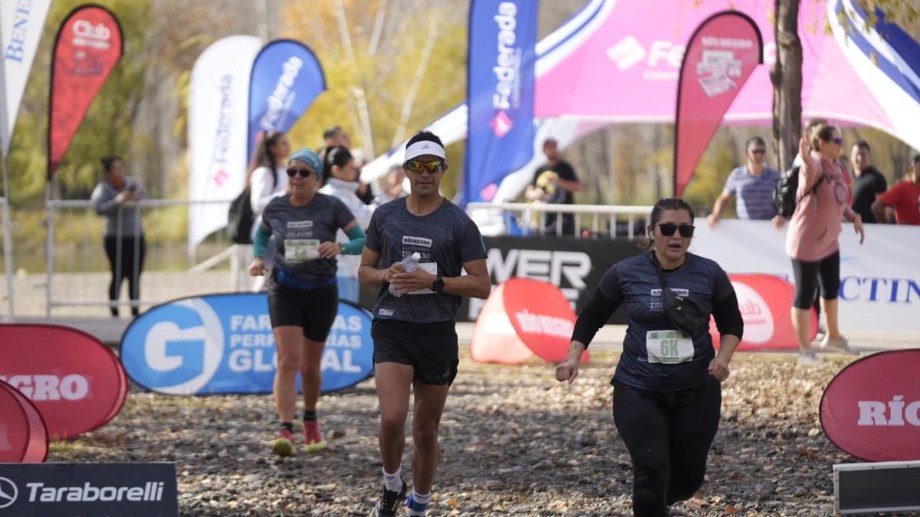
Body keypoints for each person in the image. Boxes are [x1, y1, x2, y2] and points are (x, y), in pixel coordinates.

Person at [555, 198, 743, 517]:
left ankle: (660, 504)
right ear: (651, 231)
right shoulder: (625, 272)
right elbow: (591, 316)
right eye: (667, 229)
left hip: (697, 389)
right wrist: (573, 357)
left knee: (687, 480)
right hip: (638, 387)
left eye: (685, 230)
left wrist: (723, 358)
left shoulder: (709, 273)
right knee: (650, 472)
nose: (676, 236)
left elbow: (732, 323)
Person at [358, 130, 490, 517]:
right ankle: (391, 483)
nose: (425, 173)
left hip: (436, 331)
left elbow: (482, 285)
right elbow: (364, 271)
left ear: (443, 169)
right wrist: (386, 275)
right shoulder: (386, 216)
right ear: (407, 169)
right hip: (393, 325)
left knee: (426, 431)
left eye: (433, 166)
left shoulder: (459, 223)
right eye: (418, 166)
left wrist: (433, 282)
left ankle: (419, 503)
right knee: (392, 417)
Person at [248, 147, 367, 452]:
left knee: (310, 366)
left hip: (321, 291)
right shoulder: (276, 207)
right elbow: (261, 235)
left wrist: (340, 248)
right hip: (284, 288)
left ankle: (311, 420)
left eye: (304, 172)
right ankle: (285, 429)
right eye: (291, 172)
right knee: (288, 359)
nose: (296, 177)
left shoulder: (332, 206)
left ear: (316, 178)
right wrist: (259, 257)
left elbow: (362, 239)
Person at [785, 125, 865, 364]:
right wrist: (805, 154)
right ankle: (805, 351)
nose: (841, 145)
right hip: (806, 241)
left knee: (830, 289)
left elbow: (839, 200)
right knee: (804, 295)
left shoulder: (837, 167)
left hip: (829, 241)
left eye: (841, 141)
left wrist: (852, 215)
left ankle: (833, 337)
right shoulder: (815, 164)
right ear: (822, 144)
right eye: (836, 141)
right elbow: (808, 165)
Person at [91, 155, 147, 318]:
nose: (121, 171)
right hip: (115, 238)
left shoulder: (132, 183)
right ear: (108, 172)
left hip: (135, 236)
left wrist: (136, 198)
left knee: (135, 275)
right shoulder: (103, 189)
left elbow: (146, 199)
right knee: (118, 274)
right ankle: (114, 310)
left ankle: (135, 311)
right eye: (116, 168)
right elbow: (99, 208)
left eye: (122, 167)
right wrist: (118, 201)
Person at [318, 146, 374, 303]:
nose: (356, 172)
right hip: (335, 271)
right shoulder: (330, 196)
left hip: (350, 269)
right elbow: (365, 218)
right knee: (337, 314)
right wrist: (387, 196)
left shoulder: (348, 194)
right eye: (352, 168)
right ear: (336, 170)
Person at [248, 131, 290, 291]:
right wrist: (283, 194)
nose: (288, 146)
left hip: (283, 231)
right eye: (283, 143)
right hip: (267, 231)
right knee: (265, 276)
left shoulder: (283, 170)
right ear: (272, 148)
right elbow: (257, 204)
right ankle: (255, 303)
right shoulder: (264, 172)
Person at [707, 136, 781, 226]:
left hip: (769, 228)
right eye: (755, 151)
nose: (759, 155)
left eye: (762, 151)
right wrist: (715, 215)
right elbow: (724, 199)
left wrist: (781, 216)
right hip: (744, 228)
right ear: (746, 153)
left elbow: (784, 201)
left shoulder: (775, 176)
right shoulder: (736, 175)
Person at [524, 137, 581, 235]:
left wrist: (558, 182)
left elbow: (577, 187)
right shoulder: (539, 170)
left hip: (564, 217)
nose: (551, 150)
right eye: (548, 147)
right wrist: (537, 194)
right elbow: (529, 193)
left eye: (553, 147)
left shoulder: (566, 168)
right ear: (543, 150)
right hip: (544, 217)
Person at [871, 153, 920, 225]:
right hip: (906, 232)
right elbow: (876, 207)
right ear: (912, 168)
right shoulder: (903, 187)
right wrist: (890, 228)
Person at [849, 140, 888, 223]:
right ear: (851, 157)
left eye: (863, 154)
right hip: (848, 226)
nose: (860, 158)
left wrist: (885, 226)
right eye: (857, 154)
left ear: (869, 156)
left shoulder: (876, 178)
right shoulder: (846, 178)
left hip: (869, 227)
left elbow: (882, 208)